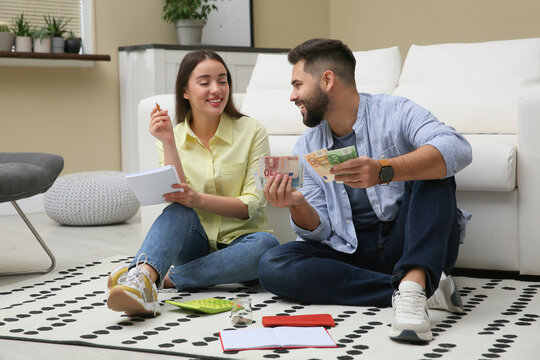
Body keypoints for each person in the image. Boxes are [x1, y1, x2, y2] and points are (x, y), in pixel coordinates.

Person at [258, 39, 472, 343]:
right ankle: (419, 288)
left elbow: (457, 149)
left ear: (327, 80)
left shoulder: (395, 112)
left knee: (434, 165)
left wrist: (386, 169)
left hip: (411, 241)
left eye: (297, 84)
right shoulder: (307, 145)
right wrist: (296, 204)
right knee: (273, 265)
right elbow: (319, 233)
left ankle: (414, 282)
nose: (292, 96)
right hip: (350, 250)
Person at [106, 50, 279, 316]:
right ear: (185, 90)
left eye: (222, 81)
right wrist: (167, 142)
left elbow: (252, 206)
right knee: (178, 209)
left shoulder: (252, 131)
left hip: (241, 246)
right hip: (193, 246)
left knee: (267, 247)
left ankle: (154, 277)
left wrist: (197, 199)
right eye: (205, 82)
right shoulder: (173, 136)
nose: (216, 89)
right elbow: (176, 194)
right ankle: (144, 278)